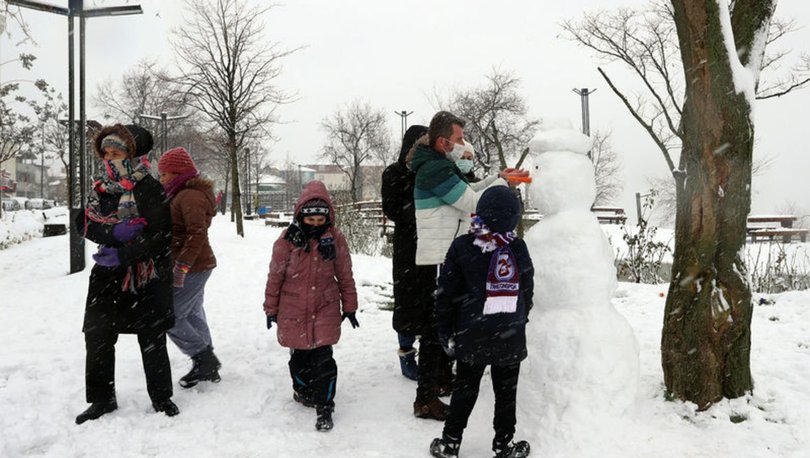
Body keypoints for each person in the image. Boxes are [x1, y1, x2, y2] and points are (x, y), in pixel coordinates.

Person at [409, 111, 526, 421]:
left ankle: (438, 381)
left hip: (448, 252)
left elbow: (471, 191)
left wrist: (498, 177)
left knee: (443, 324)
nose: (463, 144)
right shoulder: (434, 170)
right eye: (459, 138)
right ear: (442, 141)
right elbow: (474, 204)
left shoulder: (441, 165)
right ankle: (426, 396)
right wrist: (503, 183)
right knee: (435, 330)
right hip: (439, 256)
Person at [74, 124, 178, 424]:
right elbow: (85, 222)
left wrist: (125, 252)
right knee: (97, 337)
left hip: (145, 277)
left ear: (133, 154)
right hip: (106, 276)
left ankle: (161, 397)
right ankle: (101, 399)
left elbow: (161, 235)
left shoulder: (149, 186)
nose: (109, 157)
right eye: (106, 152)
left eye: (116, 152)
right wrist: (111, 232)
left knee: (151, 339)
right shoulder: (101, 186)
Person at [429, 186, 534, 458]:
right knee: (506, 395)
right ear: (514, 217)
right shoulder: (517, 246)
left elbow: (446, 293)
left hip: (472, 333)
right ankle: (504, 445)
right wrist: (520, 317)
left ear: (480, 212)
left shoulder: (463, 246)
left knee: (465, 390)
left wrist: (445, 329)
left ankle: (451, 442)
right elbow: (527, 288)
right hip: (509, 335)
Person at [263, 180, 358, 432]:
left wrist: (350, 305)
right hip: (292, 309)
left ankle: (325, 404)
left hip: (325, 306)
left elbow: (345, 275)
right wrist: (271, 308)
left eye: (320, 220)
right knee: (299, 359)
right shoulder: (287, 241)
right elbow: (275, 277)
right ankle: (303, 390)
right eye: (310, 220)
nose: (316, 225)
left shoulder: (335, 239)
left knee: (323, 359)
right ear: (300, 216)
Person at [157, 147, 221, 388]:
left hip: (193, 266)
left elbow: (196, 234)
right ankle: (206, 363)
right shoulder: (183, 193)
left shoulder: (190, 196)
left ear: (178, 173)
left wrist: (182, 266)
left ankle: (204, 359)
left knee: (169, 316)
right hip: (196, 264)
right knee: (192, 311)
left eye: (164, 174)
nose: (161, 179)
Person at [381, 124, 437, 381]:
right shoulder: (393, 173)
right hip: (407, 246)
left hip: (433, 244)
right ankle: (406, 352)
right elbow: (393, 208)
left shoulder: (432, 170)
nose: (422, 150)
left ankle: (432, 352)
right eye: (419, 145)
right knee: (406, 300)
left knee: (432, 299)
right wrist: (422, 213)